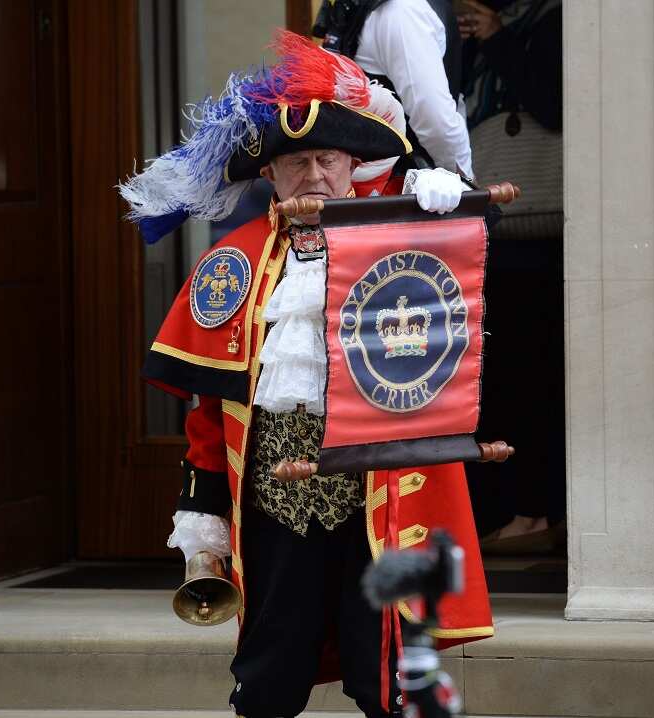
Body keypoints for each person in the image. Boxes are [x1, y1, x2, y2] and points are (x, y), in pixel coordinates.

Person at [119, 32, 491, 718]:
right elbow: (210, 409)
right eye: (295, 163)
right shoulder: (233, 262)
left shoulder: (399, 243)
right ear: (271, 173)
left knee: (390, 675)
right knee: (268, 676)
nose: (313, 176)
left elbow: (458, 307)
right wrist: (203, 519)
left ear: (354, 164)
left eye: (327, 159)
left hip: (378, 496)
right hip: (272, 506)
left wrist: (446, 205)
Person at [458, 0, 566, 552]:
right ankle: (509, 509)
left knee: (533, 376)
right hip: (494, 231)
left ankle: (537, 510)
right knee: (498, 377)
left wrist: (499, 39)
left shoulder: (550, 22)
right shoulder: (471, 34)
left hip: (539, 233)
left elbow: (553, 104)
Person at [314, 0, 472, 177]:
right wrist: (464, 181)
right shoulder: (403, 12)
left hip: (374, 175)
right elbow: (435, 121)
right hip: (405, 184)